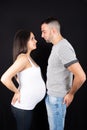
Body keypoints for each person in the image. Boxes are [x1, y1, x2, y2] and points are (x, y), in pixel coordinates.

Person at [40, 17, 86, 130]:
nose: (42, 35)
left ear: (54, 30)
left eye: (44, 31)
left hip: (57, 100)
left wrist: (71, 94)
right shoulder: (57, 46)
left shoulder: (63, 47)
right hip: (52, 97)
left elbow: (81, 76)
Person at [0, 29, 46, 130]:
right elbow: (4, 78)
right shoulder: (23, 58)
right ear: (24, 42)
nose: (36, 41)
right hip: (23, 106)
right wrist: (16, 92)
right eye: (32, 39)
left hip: (27, 106)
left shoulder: (27, 57)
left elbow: (22, 77)